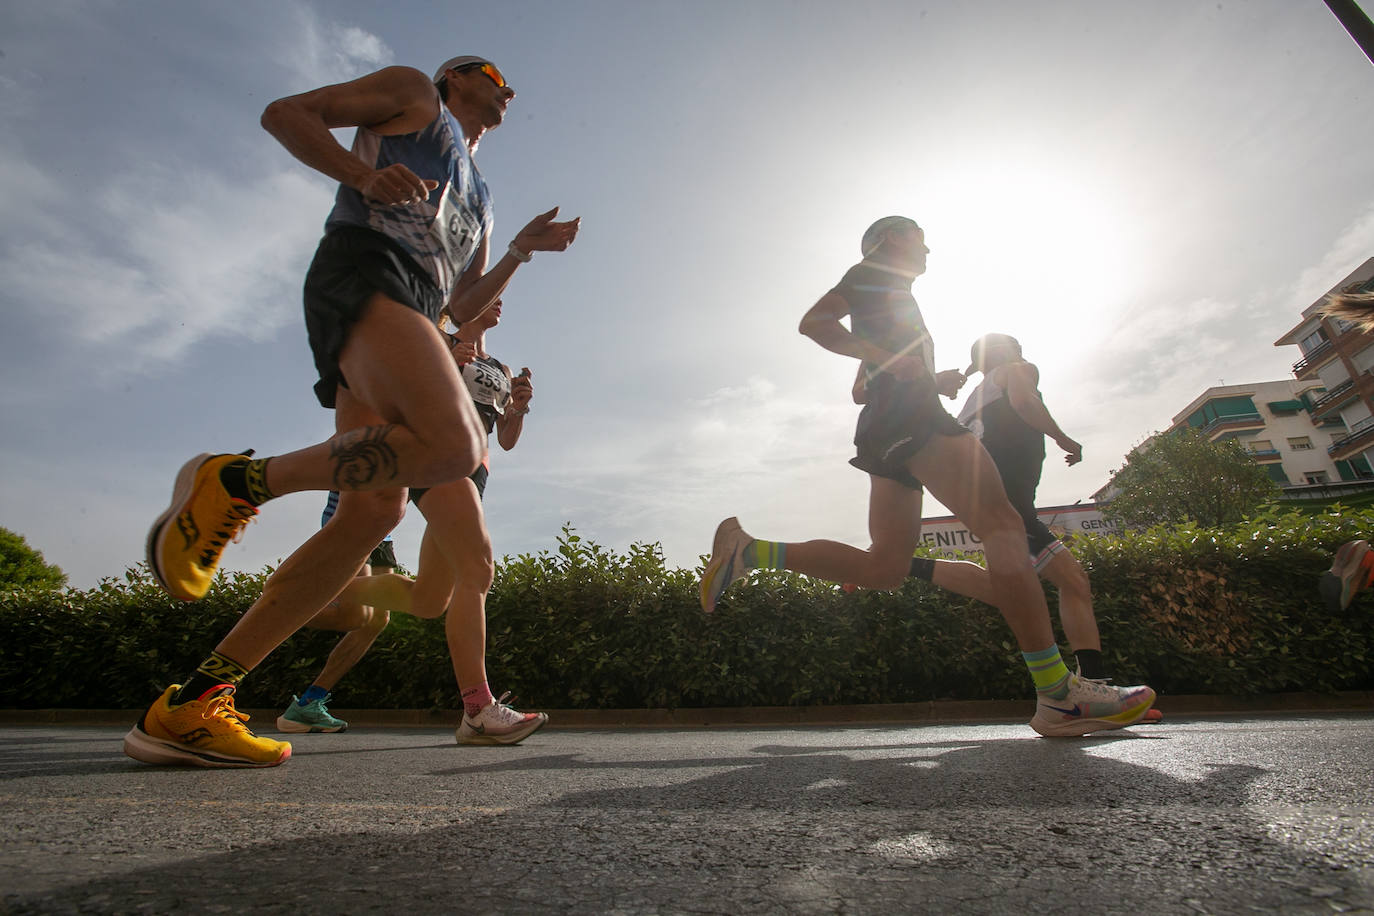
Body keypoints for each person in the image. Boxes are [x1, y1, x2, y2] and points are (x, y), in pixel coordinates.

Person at [125, 55, 578, 768]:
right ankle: (236, 481)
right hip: (366, 272)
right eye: (493, 75)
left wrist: (518, 250)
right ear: (454, 77)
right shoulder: (410, 97)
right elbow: (286, 114)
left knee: (372, 515)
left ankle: (193, 703)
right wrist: (362, 174)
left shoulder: (481, 195)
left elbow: (462, 306)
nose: (509, 90)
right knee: (455, 446)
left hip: (418, 315)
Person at [700, 216, 1156, 737]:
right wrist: (890, 359)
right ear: (892, 239)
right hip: (914, 425)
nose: (928, 249)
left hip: (882, 433)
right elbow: (814, 323)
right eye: (919, 237)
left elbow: (860, 389)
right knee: (1004, 526)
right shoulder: (874, 276)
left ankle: (749, 552)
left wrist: (920, 374)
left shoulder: (890, 302)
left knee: (886, 568)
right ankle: (1057, 695)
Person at [857, 332, 1161, 722]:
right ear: (1012, 352)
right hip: (1010, 505)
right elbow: (1024, 402)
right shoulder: (1018, 371)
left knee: (1009, 588)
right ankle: (1095, 694)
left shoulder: (976, 395)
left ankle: (906, 565)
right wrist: (1065, 438)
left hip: (976, 493)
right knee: (1073, 581)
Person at [316, 298, 548, 744]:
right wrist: (443, 358)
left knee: (428, 599)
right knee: (477, 569)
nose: (500, 299)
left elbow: (507, 439)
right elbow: (397, 394)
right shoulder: (437, 339)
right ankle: (478, 710)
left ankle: (318, 588)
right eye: (490, 292)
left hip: (475, 472)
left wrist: (517, 406)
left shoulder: (498, 365)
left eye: (504, 296)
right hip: (438, 456)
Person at [273, 495, 400, 734]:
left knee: (377, 620)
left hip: (384, 531)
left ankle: (308, 703)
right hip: (352, 518)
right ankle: (269, 609)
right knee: (355, 616)